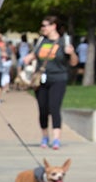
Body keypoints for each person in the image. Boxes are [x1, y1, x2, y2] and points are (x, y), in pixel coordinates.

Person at [22, 15, 78, 150]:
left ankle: (56, 138)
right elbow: (35, 54)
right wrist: (29, 56)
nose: (43, 28)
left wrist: (71, 53)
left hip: (58, 78)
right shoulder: (41, 40)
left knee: (54, 107)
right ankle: (45, 136)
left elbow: (74, 63)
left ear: (53, 26)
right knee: (43, 109)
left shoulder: (64, 41)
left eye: (45, 25)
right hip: (41, 79)